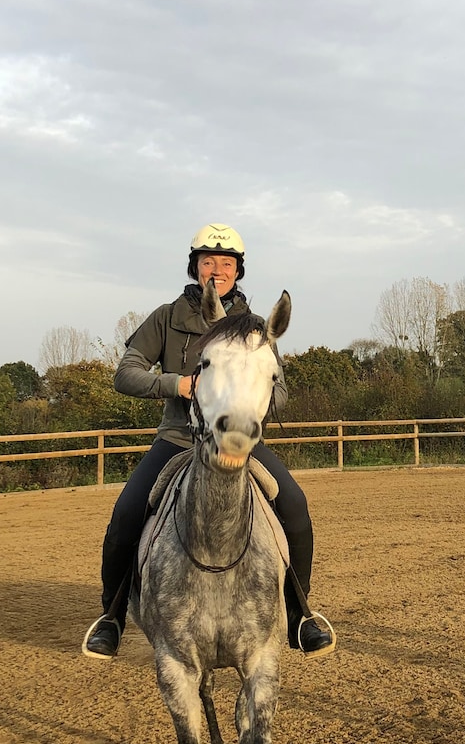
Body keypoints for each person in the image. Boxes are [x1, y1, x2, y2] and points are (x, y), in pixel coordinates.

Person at [81, 223, 336, 657]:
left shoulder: (255, 327)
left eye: (226, 263)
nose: (217, 270)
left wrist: (252, 402)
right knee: (127, 512)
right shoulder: (166, 317)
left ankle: (299, 615)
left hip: (237, 440)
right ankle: (112, 616)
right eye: (208, 262)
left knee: (294, 503)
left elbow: (280, 390)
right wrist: (176, 384)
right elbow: (125, 373)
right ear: (194, 266)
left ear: (238, 270)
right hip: (179, 440)